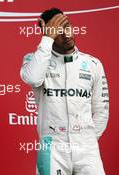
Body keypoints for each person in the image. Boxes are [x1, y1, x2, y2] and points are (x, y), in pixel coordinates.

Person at [20, 8, 109, 175]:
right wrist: (47, 39)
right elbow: (32, 78)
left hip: (87, 149)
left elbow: (101, 111)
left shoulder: (93, 64)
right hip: (52, 148)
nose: (66, 34)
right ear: (48, 33)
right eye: (58, 31)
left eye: (67, 27)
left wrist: (83, 139)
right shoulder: (34, 60)